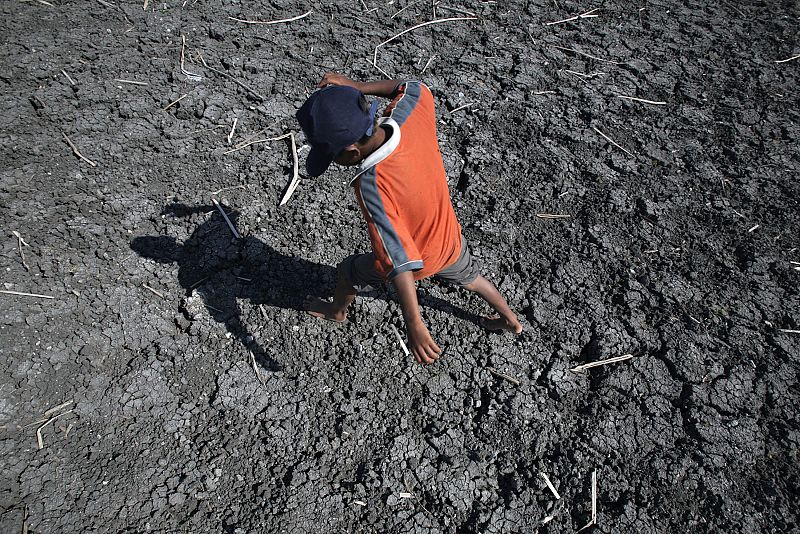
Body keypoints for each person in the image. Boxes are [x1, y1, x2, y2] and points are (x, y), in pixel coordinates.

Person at [296, 73, 522, 365]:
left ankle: (336, 311)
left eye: (331, 156)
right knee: (473, 279)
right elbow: (413, 87)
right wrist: (357, 86)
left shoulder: (372, 186)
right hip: (448, 238)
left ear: (351, 152)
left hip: (421, 258)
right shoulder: (410, 112)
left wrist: (414, 323)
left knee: (348, 271)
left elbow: (399, 261)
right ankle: (509, 319)